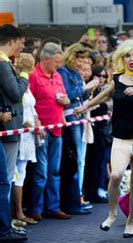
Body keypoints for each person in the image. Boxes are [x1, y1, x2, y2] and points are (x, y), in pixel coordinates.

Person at [75, 39, 133, 238]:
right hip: (120, 139)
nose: (131, 59)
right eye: (127, 55)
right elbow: (104, 95)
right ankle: (112, 214)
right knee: (115, 175)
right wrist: (85, 106)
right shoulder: (118, 78)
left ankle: (131, 220)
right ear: (122, 58)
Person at [28, 42, 71, 220]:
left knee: (54, 170)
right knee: (41, 172)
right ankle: (35, 208)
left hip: (57, 130)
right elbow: (29, 103)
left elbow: (65, 97)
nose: (58, 65)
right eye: (56, 62)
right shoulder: (34, 76)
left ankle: (52, 206)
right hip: (41, 131)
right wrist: (36, 124)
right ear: (45, 59)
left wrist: (66, 101)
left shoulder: (58, 76)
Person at [57, 42, 99, 215]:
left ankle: (78, 197)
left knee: (80, 160)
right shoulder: (64, 72)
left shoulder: (73, 72)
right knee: (75, 160)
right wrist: (85, 86)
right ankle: (74, 199)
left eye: (84, 59)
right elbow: (68, 93)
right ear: (72, 56)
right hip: (70, 116)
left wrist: (88, 90)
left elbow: (78, 95)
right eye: (79, 58)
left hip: (79, 115)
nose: (82, 63)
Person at [0, 24, 30, 243]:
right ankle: (5, 226)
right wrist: (25, 73)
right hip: (6, 130)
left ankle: (6, 223)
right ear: (12, 40)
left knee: (7, 178)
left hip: (10, 128)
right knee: (5, 179)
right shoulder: (2, 63)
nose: (23, 47)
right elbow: (15, 92)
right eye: (21, 42)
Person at [12, 53, 40, 225]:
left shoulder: (26, 84)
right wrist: (26, 122)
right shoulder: (18, 83)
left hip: (29, 134)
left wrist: (37, 120)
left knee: (21, 172)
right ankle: (17, 212)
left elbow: (32, 107)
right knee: (15, 173)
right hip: (20, 132)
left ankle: (19, 210)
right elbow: (16, 106)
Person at [82, 65, 112, 203]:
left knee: (102, 162)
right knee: (91, 163)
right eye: (98, 75)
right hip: (90, 130)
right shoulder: (89, 89)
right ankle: (90, 192)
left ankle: (98, 190)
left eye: (104, 76)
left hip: (102, 131)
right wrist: (107, 105)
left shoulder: (104, 90)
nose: (101, 79)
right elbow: (91, 107)